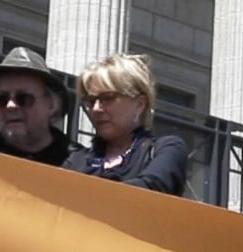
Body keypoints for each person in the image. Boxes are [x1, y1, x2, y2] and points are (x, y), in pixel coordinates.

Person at [63, 52, 187, 195]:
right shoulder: (74, 161)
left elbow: (151, 189)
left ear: (139, 104)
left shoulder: (167, 149)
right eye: (91, 101)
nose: (96, 109)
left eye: (107, 98)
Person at [0, 46, 71, 166]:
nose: (11, 106)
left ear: (51, 105)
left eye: (24, 98)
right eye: (1, 99)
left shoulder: (82, 168)